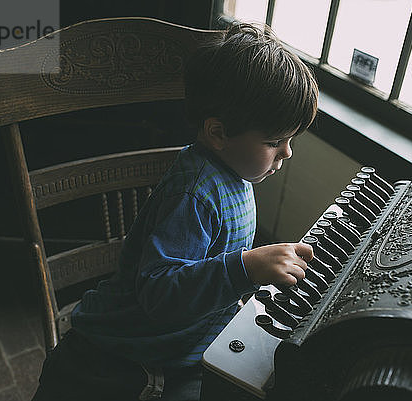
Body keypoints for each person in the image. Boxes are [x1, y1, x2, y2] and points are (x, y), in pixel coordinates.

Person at [32, 21, 319, 401]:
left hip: (182, 344)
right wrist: (244, 268)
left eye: (289, 140)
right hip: (124, 356)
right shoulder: (194, 194)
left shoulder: (237, 172)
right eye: (274, 141)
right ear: (218, 133)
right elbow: (159, 293)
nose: (287, 153)